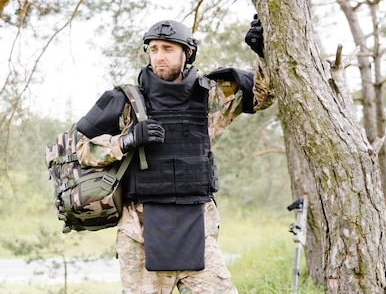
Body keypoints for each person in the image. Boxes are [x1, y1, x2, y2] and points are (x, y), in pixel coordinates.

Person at [75, 17, 274, 294]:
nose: (159, 57)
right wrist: (128, 140)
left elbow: (264, 95)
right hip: (140, 233)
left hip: (198, 230)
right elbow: (82, 150)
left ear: (188, 53)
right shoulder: (126, 102)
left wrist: (264, 53)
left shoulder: (212, 96)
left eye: (168, 49)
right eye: (154, 49)